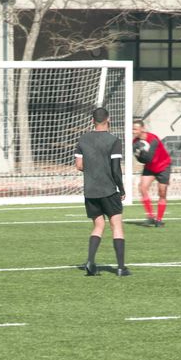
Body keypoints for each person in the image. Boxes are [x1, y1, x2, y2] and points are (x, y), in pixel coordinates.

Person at [76, 107, 129, 276]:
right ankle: (121, 268)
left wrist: (94, 166)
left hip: (90, 191)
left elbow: (79, 165)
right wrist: (121, 188)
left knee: (98, 226)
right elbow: (116, 169)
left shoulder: (82, 139)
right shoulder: (114, 140)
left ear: (92, 121)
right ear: (109, 120)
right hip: (108, 190)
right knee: (116, 225)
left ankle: (90, 262)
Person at [132, 119, 171, 227]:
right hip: (150, 168)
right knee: (142, 188)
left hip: (163, 166)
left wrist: (142, 152)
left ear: (142, 129)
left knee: (162, 193)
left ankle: (159, 220)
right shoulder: (135, 142)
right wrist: (138, 153)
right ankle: (150, 217)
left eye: (135, 129)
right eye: (132, 129)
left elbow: (149, 157)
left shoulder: (153, 139)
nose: (133, 131)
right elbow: (142, 160)